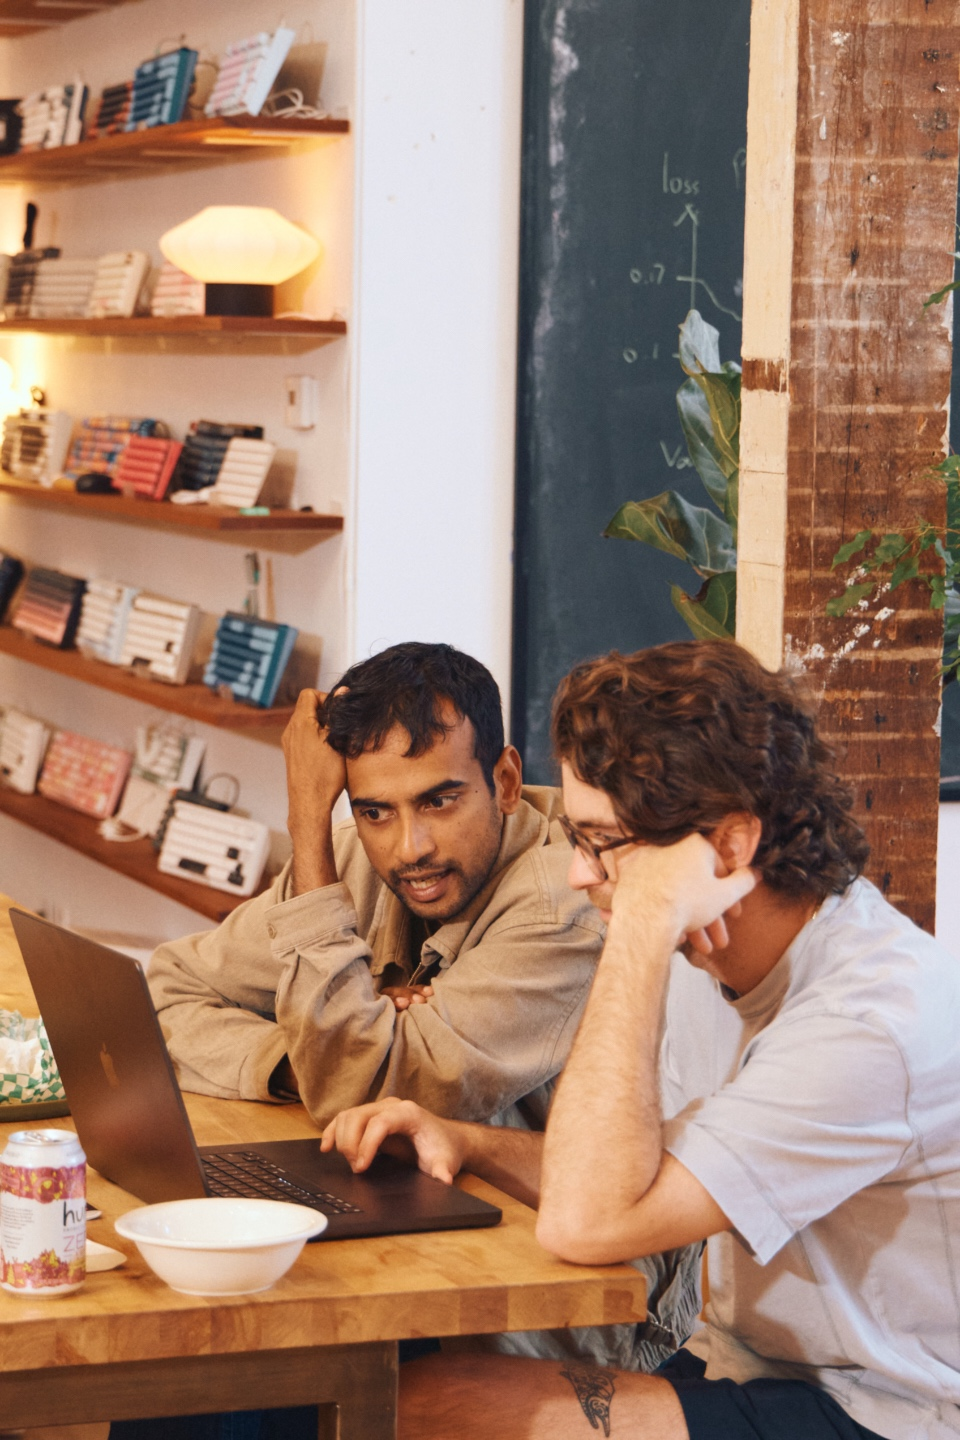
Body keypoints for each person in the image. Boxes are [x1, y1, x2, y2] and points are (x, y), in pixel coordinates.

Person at [326, 640, 960, 1440]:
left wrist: (642, 926)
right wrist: (464, 1141)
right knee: (394, 1378)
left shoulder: (864, 1025)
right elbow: (637, 1173)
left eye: (604, 844)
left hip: (885, 1411)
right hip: (747, 1366)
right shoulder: (715, 954)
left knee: (433, 1404)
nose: (579, 875)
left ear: (727, 847)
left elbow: (584, 1226)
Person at [148, 641, 606, 1131]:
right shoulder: (348, 854)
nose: (409, 849)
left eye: (439, 802)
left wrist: (344, 1055)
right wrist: (307, 1059)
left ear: (507, 782)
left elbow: (366, 1091)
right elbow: (166, 991)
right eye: (374, 811)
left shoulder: (566, 902)